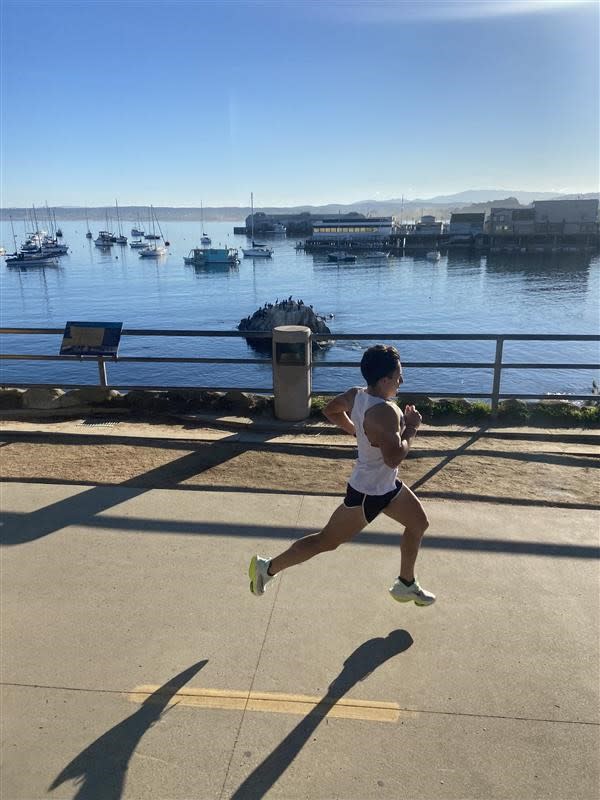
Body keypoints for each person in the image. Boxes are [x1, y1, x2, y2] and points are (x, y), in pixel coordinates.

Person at [249, 344, 435, 606]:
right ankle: (266, 568)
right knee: (324, 542)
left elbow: (331, 410)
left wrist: (356, 431)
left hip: (387, 487)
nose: (401, 381)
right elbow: (393, 457)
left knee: (418, 523)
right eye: (398, 376)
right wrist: (412, 428)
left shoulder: (356, 394)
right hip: (367, 495)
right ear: (384, 380)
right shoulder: (386, 412)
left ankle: (406, 583)